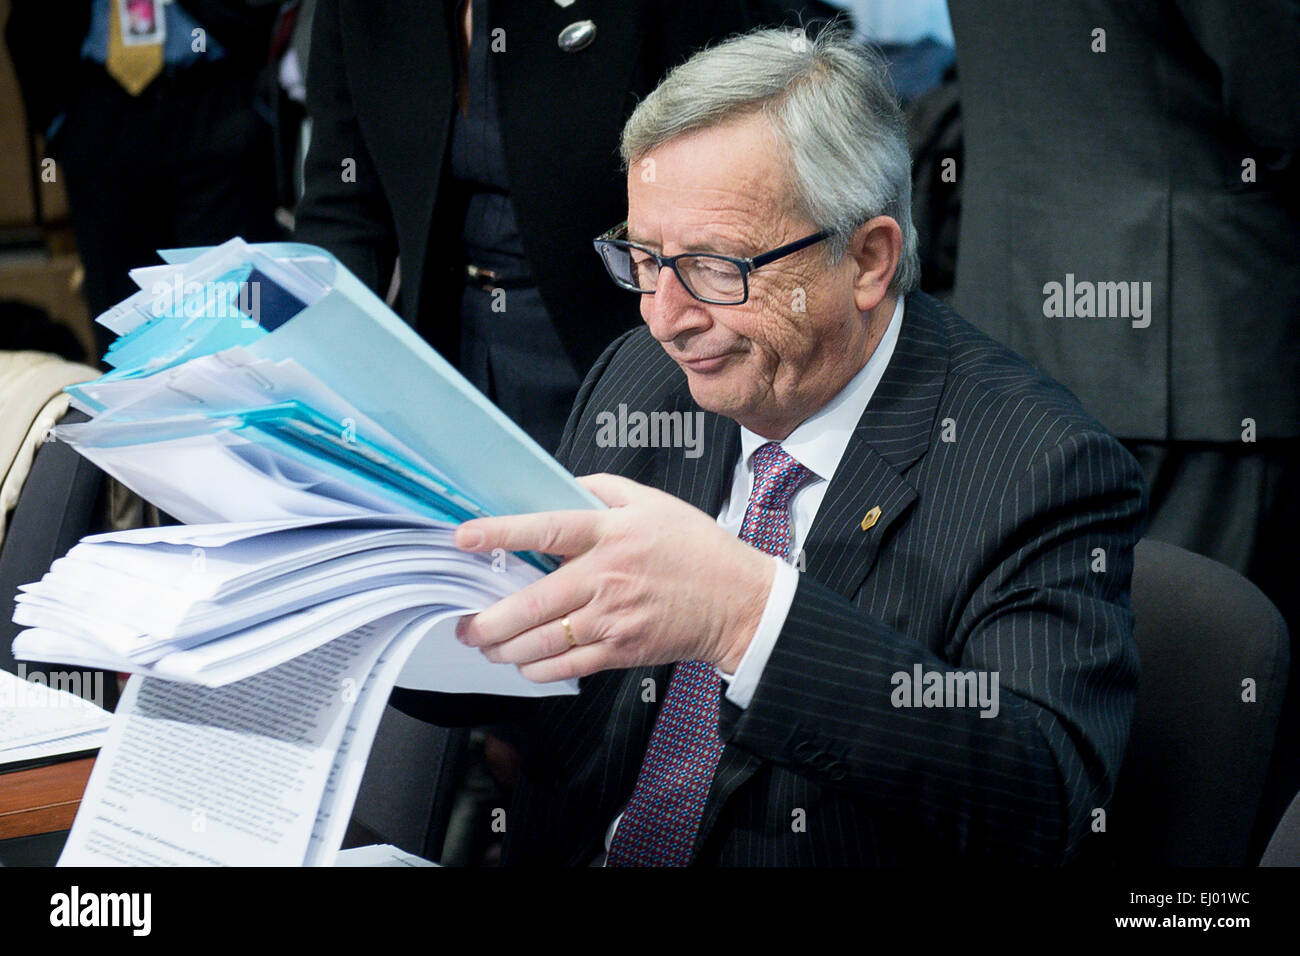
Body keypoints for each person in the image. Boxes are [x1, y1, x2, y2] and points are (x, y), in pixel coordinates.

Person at [393, 26, 1146, 865]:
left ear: (867, 258)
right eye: (645, 259)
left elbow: (1039, 795)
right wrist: (377, 595)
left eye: (717, 268)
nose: (664, 318)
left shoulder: (1039, 465)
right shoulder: (644, 380)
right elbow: (541, 676)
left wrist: (748, 618)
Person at [946, 0, 1300, 854]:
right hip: (1191, 346)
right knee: (1196, 731)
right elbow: (1279, 89)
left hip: (1023, 314)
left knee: (1065, 698)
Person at [292, 0, 762, 452]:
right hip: (441, 352)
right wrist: (307, 357)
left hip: (626, 349)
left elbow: (732, 182)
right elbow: (344, 203)